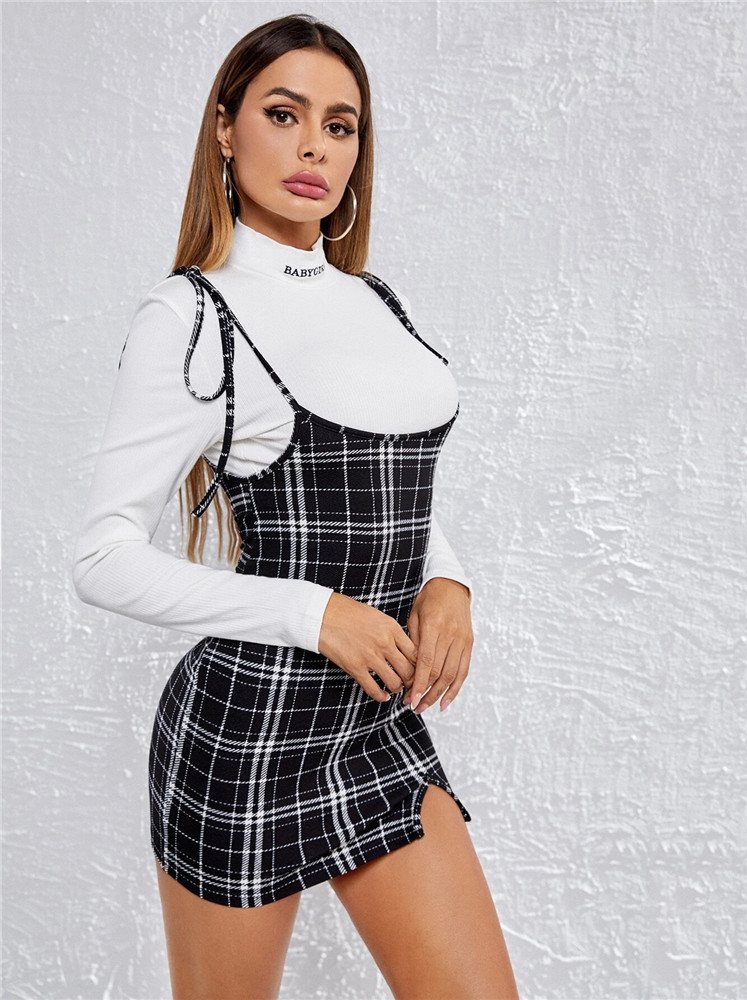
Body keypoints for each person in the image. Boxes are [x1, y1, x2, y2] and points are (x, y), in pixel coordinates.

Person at [72, 13, 519, 1000]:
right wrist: (313, 614)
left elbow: (394, 479)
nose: (315, 146)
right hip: (246, 732)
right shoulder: (191, 315)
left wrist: (448, 580)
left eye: (340, 125)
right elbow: (101, 557)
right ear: (226, 130)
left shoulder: (376, 302)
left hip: (375, 720)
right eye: (284, 114)